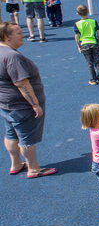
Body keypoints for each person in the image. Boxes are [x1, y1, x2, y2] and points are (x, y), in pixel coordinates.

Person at [0, 22, 56, 179]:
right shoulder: (12, 57)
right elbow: (22, 84)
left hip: (6, 105)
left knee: (11, 134)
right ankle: (33, 168)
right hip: (21, 106)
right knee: (26, 138)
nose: (22, 35)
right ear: (7, 36)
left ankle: (16, 163)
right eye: (18, 33)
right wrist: (35, 104)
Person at [74, 5, 99, 85]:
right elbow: (98, 34)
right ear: (88, 11)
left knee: (89, 63)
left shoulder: (77, 24)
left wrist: (79, 46)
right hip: (94, 42)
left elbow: (77, 37)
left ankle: (93, 79)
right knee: (97, 61)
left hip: (84, 44)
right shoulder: (93, 21)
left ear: (78, 13)